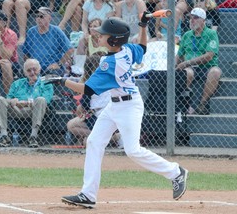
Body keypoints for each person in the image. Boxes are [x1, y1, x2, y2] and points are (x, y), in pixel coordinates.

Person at [52, 16, 188, 208]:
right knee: (94, 141)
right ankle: (88, 195)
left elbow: (88, 90)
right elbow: (142, 48)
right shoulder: (126, 49)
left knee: (132, 150)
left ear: (114, 40)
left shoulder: (109, 62)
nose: (98, 36)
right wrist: (143, 26)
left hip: (129, 107)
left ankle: (176, 172)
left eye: (103, 34)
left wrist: (62, 81)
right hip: (114, 105)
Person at [0, 58, 54, 148]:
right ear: (25, 72)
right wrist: (12, 101)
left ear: (39, 69)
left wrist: (26, 103)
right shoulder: (17, 83)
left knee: (41, 99)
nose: (32, 72)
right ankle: (4, 136)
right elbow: (8, 99)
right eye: (29, 70)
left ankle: (33, 137)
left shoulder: (46, 83)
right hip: (16, 109)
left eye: (35, 69)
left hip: (34, 109)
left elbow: (46, 100)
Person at [67, 54, 121, 147]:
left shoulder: (97, 81)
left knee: (87, 142)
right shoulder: (102, 78)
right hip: (94, 115)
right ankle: (101, 137)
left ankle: (116, 137)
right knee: (71, 125)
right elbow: (84, 103)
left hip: (104, 116)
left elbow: (85, 103)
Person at [176, 7, 222, 115]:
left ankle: (201, 104)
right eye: (190, 17)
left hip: (208, 66)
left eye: (196, 18)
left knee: (216, 72)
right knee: (187, 72)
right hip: (190, 68)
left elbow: (209, 56)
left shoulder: (211, 33)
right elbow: (179, 55)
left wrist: (187, 62)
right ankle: (183, 103)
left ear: (203, 20)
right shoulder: (187, 35)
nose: (192, 20)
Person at [22, 7, 74, 76]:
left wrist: (58, 64)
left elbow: (70, 49)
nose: (38, 19)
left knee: (51, 74)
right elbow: (26, 54)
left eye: (41, 16)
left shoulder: (56, 31)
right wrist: (30, 65)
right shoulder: (31, 31)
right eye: (37, 16)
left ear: (49, 18)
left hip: (51, 68)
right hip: (34, 68)